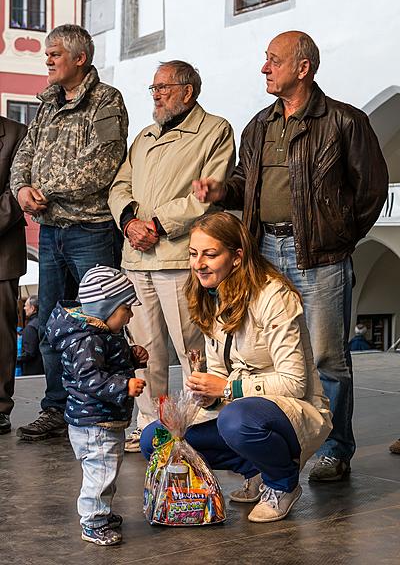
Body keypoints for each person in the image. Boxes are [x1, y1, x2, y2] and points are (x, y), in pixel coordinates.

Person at [192, 31, 388, 482]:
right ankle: (275, 445)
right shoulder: (258, 125)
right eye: (266, 60)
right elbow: (245, 181)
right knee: (261, 355)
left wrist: (338, 237)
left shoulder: (345, 121)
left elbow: (371, 189)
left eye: (274, 61)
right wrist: (223, 191)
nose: (265, 68)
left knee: (326, 357)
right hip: (264, 252)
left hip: (320, 256)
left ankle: (335, 448)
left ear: (303, 68)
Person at [141, 212, 332, 523]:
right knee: (156, 439)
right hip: (239, 410)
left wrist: (227, 389)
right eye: (193, 254)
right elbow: (219, 373)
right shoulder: (211, 296)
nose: (198, 263)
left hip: (293, 410)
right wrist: (208, 395)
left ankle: (282, 484)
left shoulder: (274, 295)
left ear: (237, 257)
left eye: (210, 254)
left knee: (236, 419)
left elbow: (294, 382)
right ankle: (256, 468)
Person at [108, 60, 235, 451]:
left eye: (164, 87)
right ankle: (151, 424)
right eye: (154, 88)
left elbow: (206, 193)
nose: (157, 94)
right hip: (136, 257)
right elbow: (120, 184)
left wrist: (158, 226)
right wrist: (130, 221)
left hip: (180, 257)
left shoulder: (215, 130)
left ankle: (196, 423)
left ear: (188, 92)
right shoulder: (144, 136)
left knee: (191, 346)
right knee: (146, 351)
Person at [10, 24, 129, 441]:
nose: (47, 60)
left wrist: (47, 191)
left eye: (55, 53)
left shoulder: (107, 100)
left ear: (80, 58)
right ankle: (57, 409)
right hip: (51, 231)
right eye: (47, 53)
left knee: (105, 321)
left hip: (91, 230)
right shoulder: (46, 104)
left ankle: (109, 404)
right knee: (49, 324)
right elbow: (24, 154)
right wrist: (22, 188)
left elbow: (104, 164)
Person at [46, 265, 148, 546]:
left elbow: (109, 360)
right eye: (126, 308)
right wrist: (123, 386)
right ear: (107, 308)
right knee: (100, 473)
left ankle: (101, 513)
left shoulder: (101, 332)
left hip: (99, 419)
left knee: (105, 471)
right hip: (94, 422)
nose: (130, 314)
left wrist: (131, 356)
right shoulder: (86, 340)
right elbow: (90, 378)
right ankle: (93, 521)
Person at [0, 115, 27, 434]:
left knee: (1, 334)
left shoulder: (16, 133)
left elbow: (18, 191)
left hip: (2, 250)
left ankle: (0, 406)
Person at [17, 295, 44, 375]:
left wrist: (13, 360)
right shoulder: (41, 322)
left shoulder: (31, 327)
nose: (24, 308)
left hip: (33, 372)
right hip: (42, 369)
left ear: (32, 308)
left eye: (25, 306)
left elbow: (29, 353)